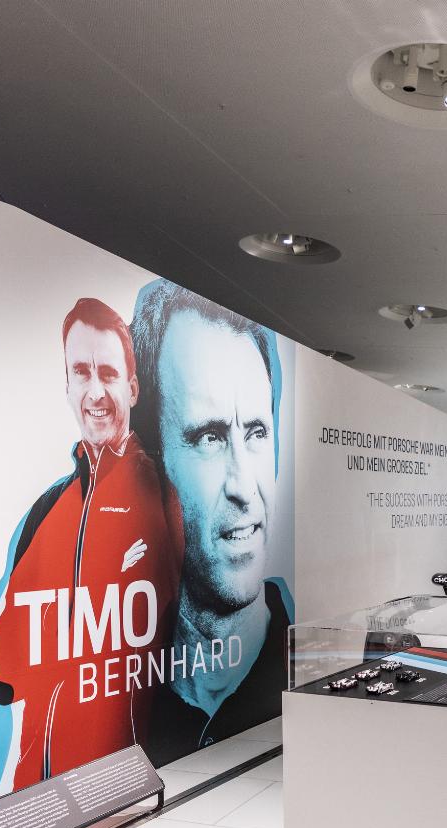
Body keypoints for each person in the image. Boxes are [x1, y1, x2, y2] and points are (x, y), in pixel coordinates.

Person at [0, 298, 180, 801]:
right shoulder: (47, 511)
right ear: (67, 385)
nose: (95, 392)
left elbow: (174, 648)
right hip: (37, 798)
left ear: (132, 387)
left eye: (108, 373)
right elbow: (3, 672)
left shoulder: (163, 498)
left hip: (122, 791)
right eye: (81, 373)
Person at [130, 280, 292, 765]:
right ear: (152, 460)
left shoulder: (304, 677)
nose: (244, 486)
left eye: (257, 432)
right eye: (209, 438)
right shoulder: (126, 712)